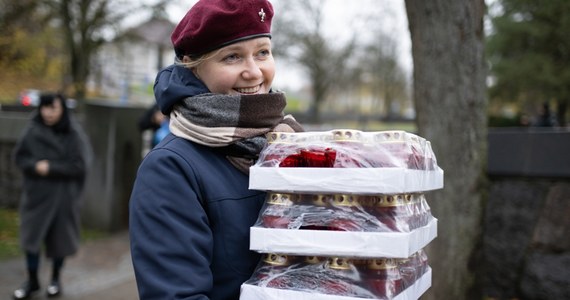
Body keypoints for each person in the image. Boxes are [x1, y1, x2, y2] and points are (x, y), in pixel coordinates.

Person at [128, 0, 304, 299]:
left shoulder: (291, 143)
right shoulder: (170, 168)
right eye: (232, 57)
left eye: (262, 52)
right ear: (194, 67)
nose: (254, 72)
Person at [12, 93, 92, 299]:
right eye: (45, 108)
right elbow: (20, 157)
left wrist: (51, 168)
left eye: (53, 108)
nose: (48, 113)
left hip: (63, 198)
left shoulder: (74, 134)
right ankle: (32, 281)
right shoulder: (32, 130)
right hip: (36, 196)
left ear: (62, 109)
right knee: (30, 240)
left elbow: (80, 165)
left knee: (59, 242)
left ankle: (55, 279)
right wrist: (34, 166)